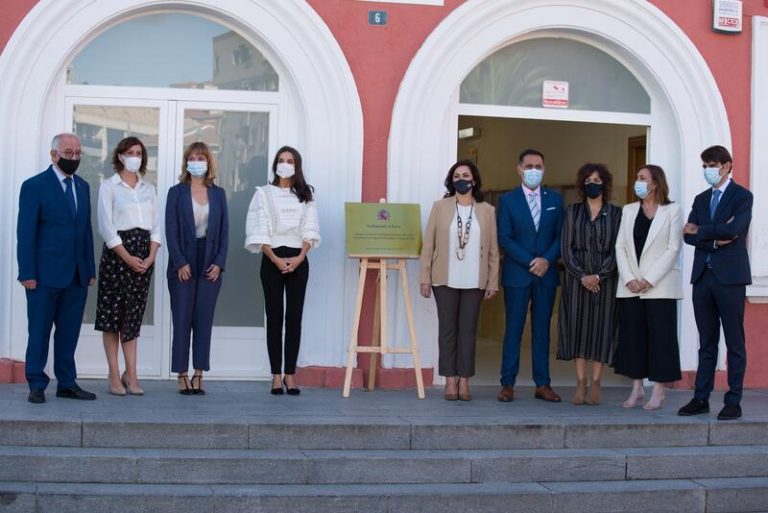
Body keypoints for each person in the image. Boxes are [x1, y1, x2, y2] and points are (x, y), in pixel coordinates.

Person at [17, 133, 97, 404]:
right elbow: (25, 233)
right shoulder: (35, 186)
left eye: (77, 153)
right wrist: (27, 273)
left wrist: (89, 270)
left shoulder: (83, 186)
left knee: (68, 332)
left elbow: (85, 232)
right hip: (43, 277)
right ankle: (36, 383)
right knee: (39, 331)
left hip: (76, 276)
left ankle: (66, 382)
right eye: (68, 152)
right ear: (54, 155)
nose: (73, 157)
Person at [679, 146, 752, 421]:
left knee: (734, 342)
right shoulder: (700, 199)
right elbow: (687, 235)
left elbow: (735, 230)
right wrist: (714, 237)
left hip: (731, 279)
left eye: (712, 165)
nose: (708, 170)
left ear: (726, 166)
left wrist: (702, 232)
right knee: (706, 342)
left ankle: (733, 400)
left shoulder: (742, 196)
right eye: (705, 165)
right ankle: (701, 397)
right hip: (703, 278)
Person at [419, 160, 499, 401]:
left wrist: (493, 281)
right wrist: (424, 277)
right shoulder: (440, 207)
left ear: (474, 180)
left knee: (468, 330)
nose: (461, 179)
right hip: (444, 279)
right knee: (447, 331)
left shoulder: (487, 210)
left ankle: (465, 381)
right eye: (456, 176)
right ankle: (449, 381)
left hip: (475, 281)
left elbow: (494, 249)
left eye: (465, 175)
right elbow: (428, 244)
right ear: (451, 181)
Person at [245, 146, 320, 395]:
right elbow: (259, 228)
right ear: (275, 164)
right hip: (272, 259)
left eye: (290, 161)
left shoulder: (306, 195)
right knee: (275, 317)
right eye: (281, 160)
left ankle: (290, 374)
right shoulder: (263, 194)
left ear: (297, 166)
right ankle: (275, 375)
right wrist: (276, 259)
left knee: (294, 319)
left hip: (298, 260)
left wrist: (299, 257)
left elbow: (310, 228)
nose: (285, 164)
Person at [95, 136, 161, 396]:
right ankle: (113, 373)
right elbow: (106, 227)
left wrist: (151, 256)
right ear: (120, 156)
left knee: (132, 318)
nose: (135, 156)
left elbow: (156, 227)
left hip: (144, 257)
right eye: (130, 152)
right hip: (117, 256)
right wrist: (127, 257)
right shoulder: (109, 187)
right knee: (112, 317)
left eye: (139, 152)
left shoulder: (149, 189)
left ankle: (131, 374)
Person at [497, 149, 564, 403]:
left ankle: (543, 383)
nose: (533, 170)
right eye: (529, 166)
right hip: (518, 274)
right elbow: (505, 237)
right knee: (513, 329)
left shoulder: (555, 200)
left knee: (542, 331)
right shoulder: (508, 200)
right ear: (519, 169)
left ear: (544, 169)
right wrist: (530, 261)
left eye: (538, 166)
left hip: (546, 275)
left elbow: (560, 236)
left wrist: (547, 259)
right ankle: (507, 383)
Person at [614, 165, 683, 410]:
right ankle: (636, 388)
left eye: (643, 178)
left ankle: (659, 390)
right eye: (637, 178)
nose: (638, 182)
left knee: (661, 338)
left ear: (655, 183)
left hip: (660, 286)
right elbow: (620, 246)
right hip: (631, 286)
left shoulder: (671, 210)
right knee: (633, 337)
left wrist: (649, 279)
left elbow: (673, 248)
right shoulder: (629, 210)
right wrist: (630, 278)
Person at [166, 142, 229, 395]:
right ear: (186, 162)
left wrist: (219, 263)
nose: (196, 162)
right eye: (192, 157)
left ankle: (199, 372)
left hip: (209, 261)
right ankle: (181, 373)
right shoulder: (176, 192)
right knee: (182, 319)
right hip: (184, 261)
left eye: (201, 157)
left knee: (204, 320)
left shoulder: (218, 193)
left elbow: (225, 232)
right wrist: (180, 262)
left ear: (208, 162)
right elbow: (170, 230)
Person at [556, 163, 621, 406]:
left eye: (597, 180)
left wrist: (599, 276)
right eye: (588, 180)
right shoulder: (573, 212)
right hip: (576, 281)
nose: (592, 184)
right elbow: (566, 247)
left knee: (601, 331)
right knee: (578, 330)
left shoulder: (616, 214)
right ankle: (580, 383)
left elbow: (618, 248)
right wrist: (582, 275)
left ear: (605, 183)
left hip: (604, 282)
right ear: (582, 185)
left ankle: (596, 382)